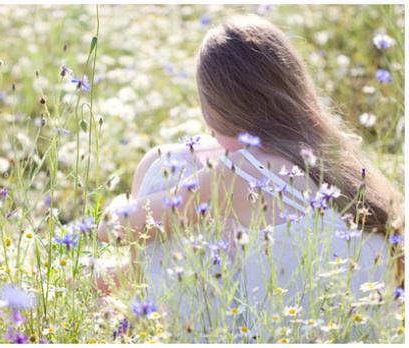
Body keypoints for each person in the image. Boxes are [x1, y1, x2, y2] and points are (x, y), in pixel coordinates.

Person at [96, 14, 404, 342]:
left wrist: (122, 203)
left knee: (160, 166)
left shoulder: (239, 174)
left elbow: (115, 229)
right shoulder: (348, 166)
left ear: (216, 108)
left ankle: (124, 316)